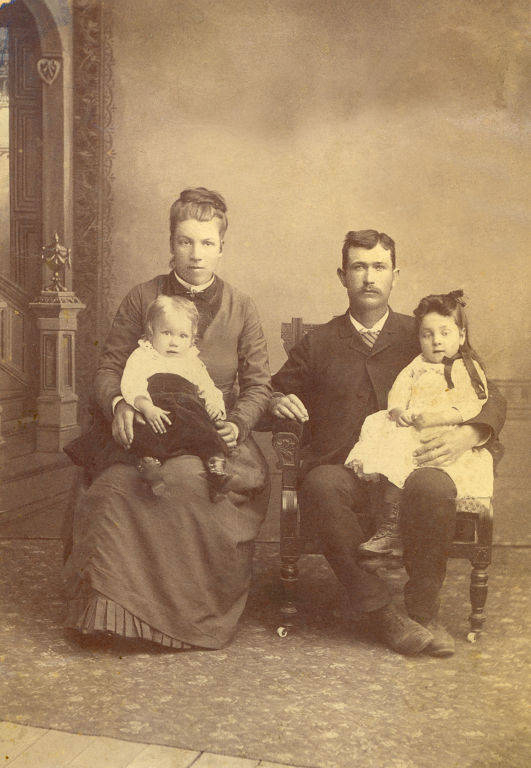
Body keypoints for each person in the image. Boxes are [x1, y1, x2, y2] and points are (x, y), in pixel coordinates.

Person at [271, 230, 505, 657]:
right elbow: (273, 391)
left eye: (379, 267)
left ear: (395, 275)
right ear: (342, 275)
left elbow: (487, 392)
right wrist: (277, 401)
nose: (369, 277)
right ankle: (382, 612)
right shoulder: (318, 342)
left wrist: (470, 433)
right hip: (346, 468)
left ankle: (423, 611)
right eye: (358, 267)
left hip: (415, 463)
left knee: (433, 485)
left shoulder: (424, 331)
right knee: (320, 485)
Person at [63, 187, 272, 650]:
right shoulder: (142, 298)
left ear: (221, 247)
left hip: (210, 432)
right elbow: (109, 368)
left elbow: (260, 384)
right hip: (145, 422)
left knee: (187, 483)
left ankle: (182, 619)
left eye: (207, 243)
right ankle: (114, 615)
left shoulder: (241, 307)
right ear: (171, 243)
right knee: (116, 487)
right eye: (185, 241)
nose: (196, 254)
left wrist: (237, 422)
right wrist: (119, 405)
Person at [345, 290, 493, 560]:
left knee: (426, 482)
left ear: (461, 335)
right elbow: (399, 390)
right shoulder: (416, 365)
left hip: (443, 433)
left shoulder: (467, 368)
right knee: (387, 442)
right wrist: (399, 410)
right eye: (428, 335)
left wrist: (441, 417)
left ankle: (410, 537)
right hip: (412, 429)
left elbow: (474, 403)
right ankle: (390, 527)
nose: (437, 341)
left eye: (445, 333)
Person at [65, 295, 231, 500]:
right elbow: (132, 383)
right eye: (167, 333)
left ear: (192, 338)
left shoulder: (192, 361)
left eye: (182, 336)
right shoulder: (143, 355)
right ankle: (149, 465)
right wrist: (146, 407)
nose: (174, 342)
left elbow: (208, 388)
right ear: (151, 332)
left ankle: (215, 467)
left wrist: (215, 405)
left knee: (205, 430)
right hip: (155, 407)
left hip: (187, 409)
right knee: (142, 431)